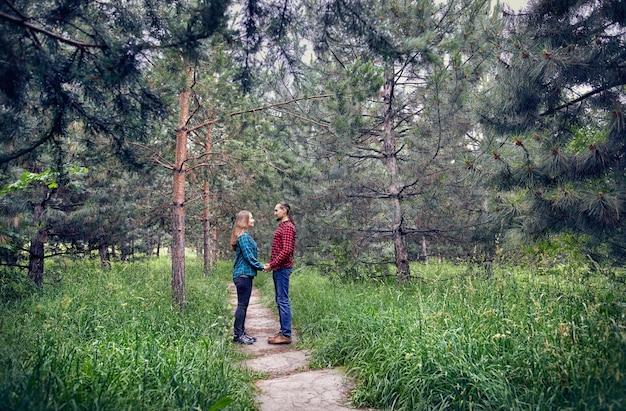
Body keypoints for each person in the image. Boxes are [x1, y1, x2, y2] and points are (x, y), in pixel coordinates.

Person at [230, 210, 265, 345]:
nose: (253, 220)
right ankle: (238, 335)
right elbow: (248, 256)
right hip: (243, 275)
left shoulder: (245, 235)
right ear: (244, 220)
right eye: (251, 218)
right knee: (242, 306)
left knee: (243, 306)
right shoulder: (243, 237)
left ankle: (241, 332)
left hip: (246, 275)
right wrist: (261, 266)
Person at [264, 202, 297, 344]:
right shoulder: (283, 226)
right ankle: (284, 331)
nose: (275, 212)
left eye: (276, 210)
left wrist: (272, 264)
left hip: (282, 269)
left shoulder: (288, 227)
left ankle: (286, 334)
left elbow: (287, 250)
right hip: (279, 268)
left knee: (283, 300)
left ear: (284, 211)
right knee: (280, 299)